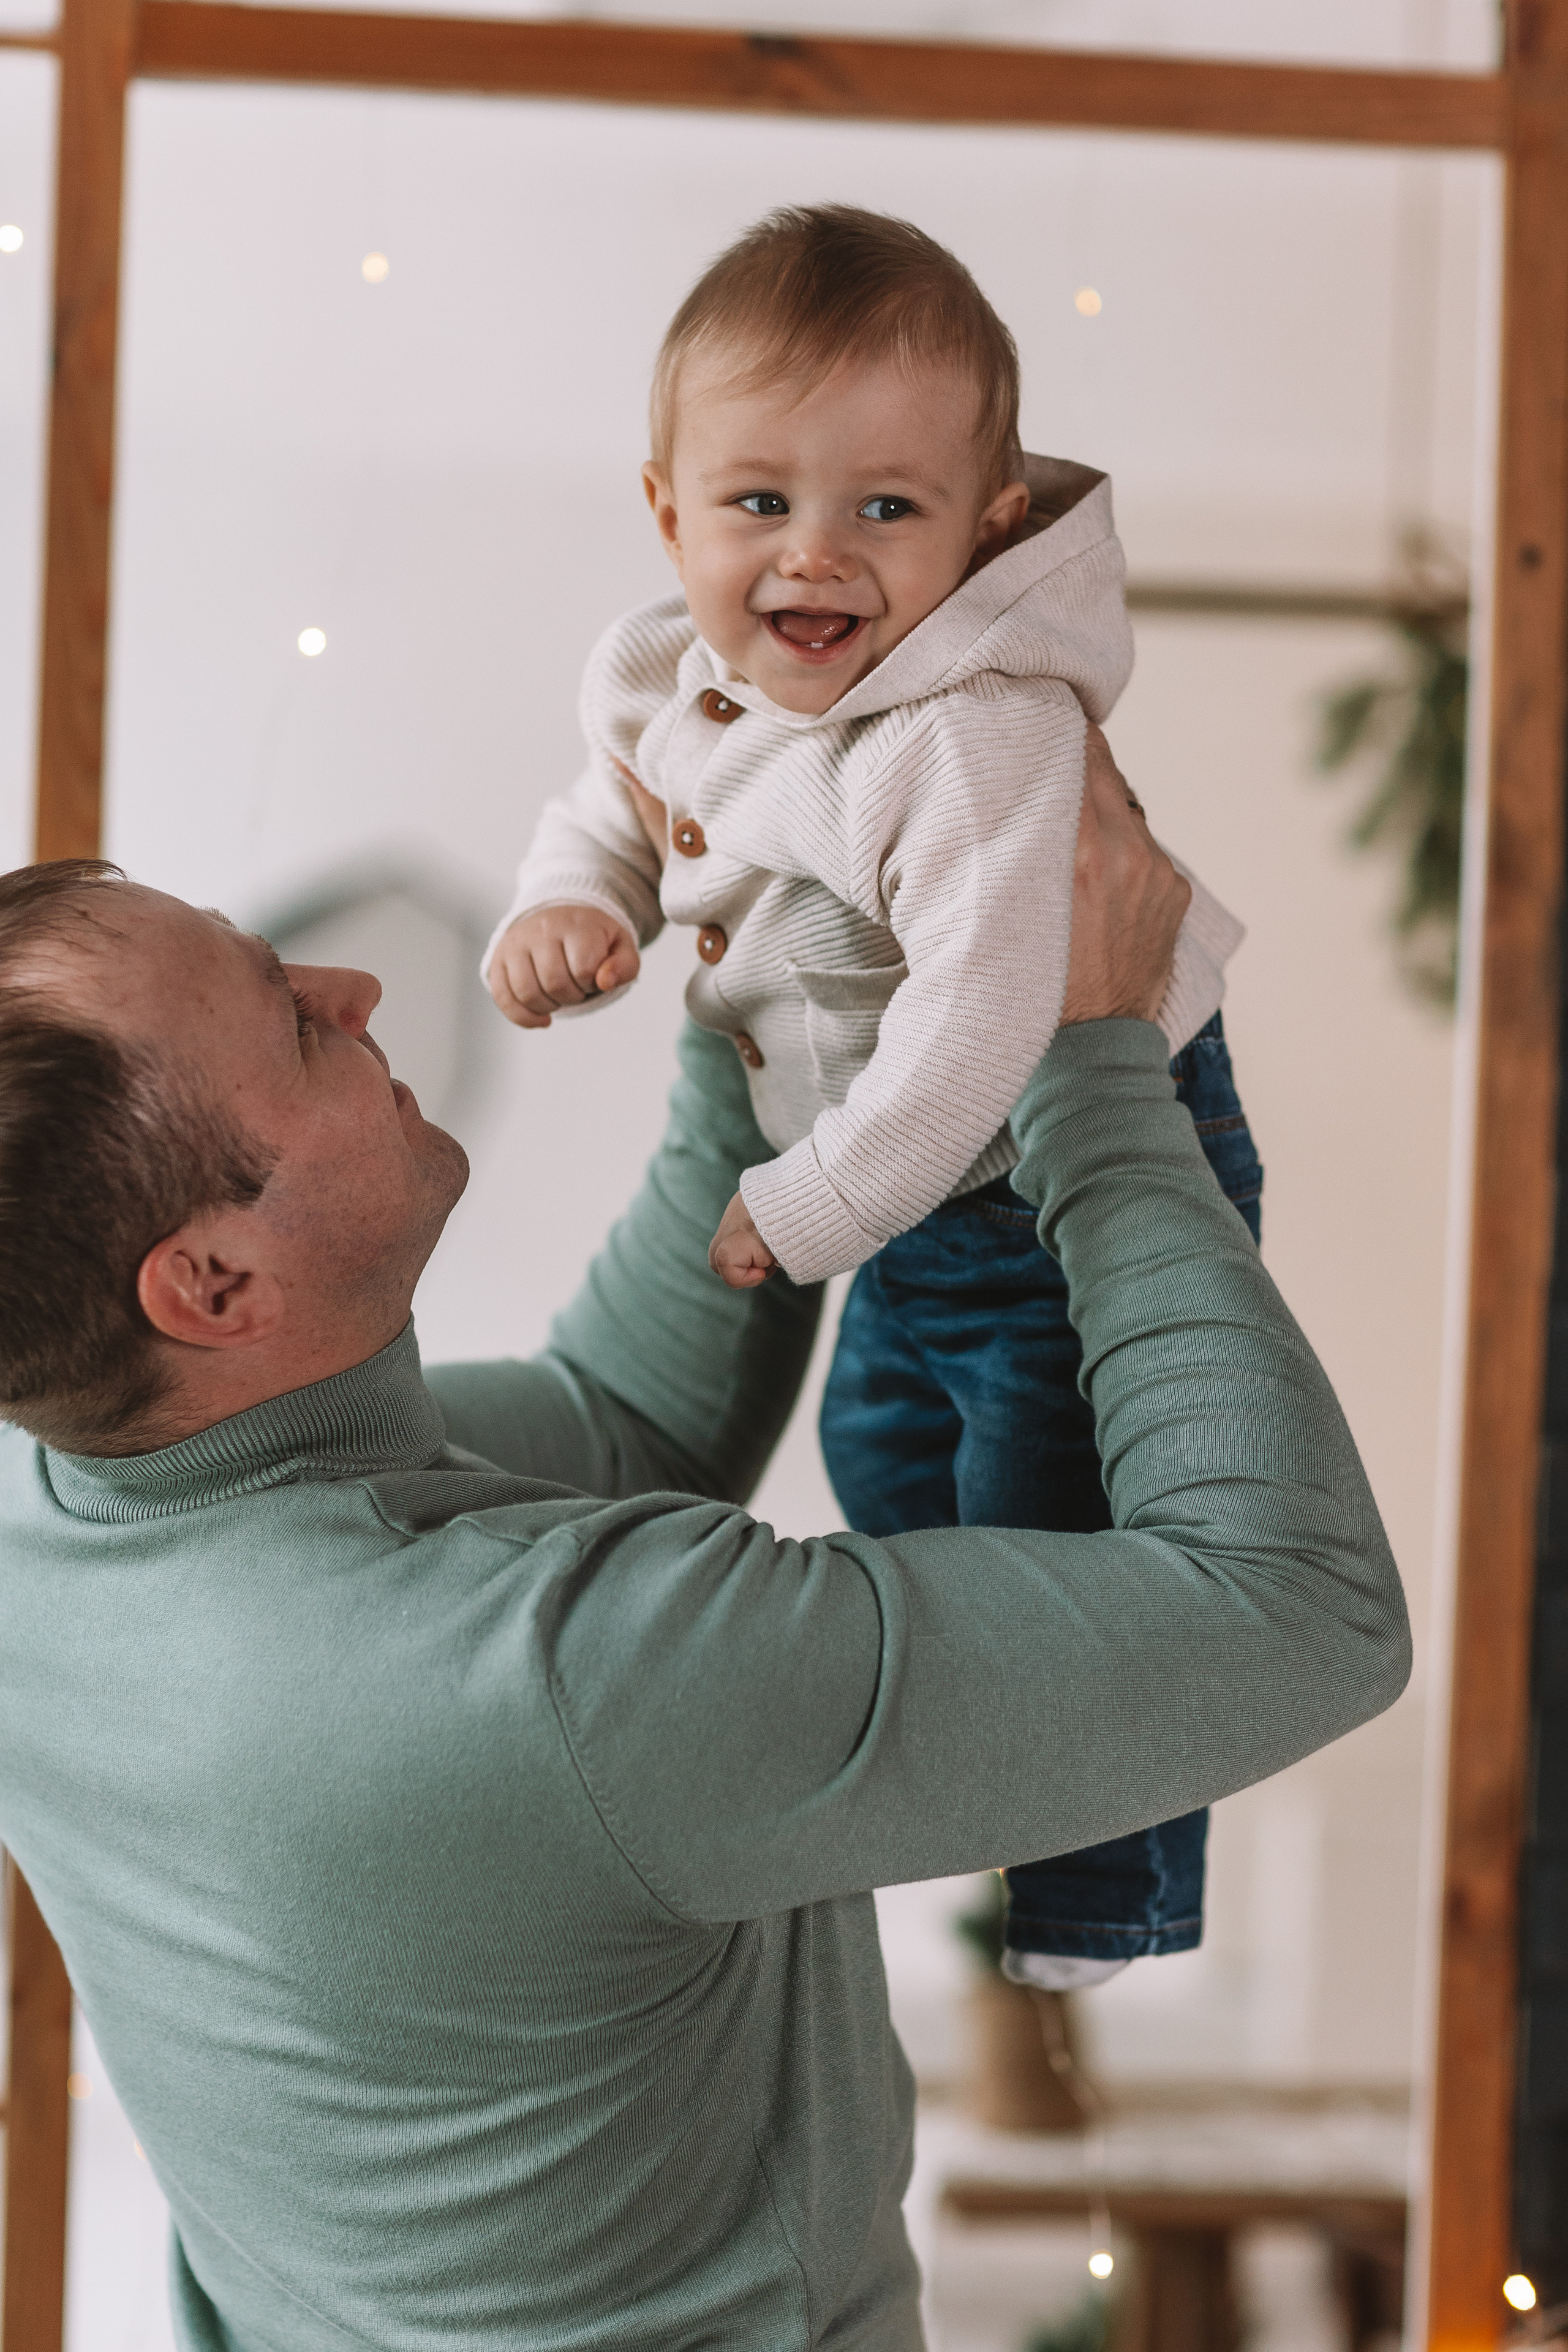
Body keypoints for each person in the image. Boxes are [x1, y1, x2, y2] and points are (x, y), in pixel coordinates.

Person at [0, 750, 1407, 2352]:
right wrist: (1092, 1059)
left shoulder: (62, 1512)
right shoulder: (534, 1680)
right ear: (213, 1287)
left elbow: (623, 1418)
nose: (355, 985)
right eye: (293, 1022)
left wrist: (770, 1014)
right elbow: (1298, 1610)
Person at [484, 204, 1260, 1991]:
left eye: (885, 510)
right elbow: (613, 794)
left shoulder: (972, 730)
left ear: (987, 524)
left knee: (1061, 1518)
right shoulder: (668, 669)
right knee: (889, 1464)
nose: (813, 558)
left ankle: (1103, 1898)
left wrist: (818, 1203)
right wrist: (573, 901)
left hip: (1044, 1158)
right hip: (913, 1174)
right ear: (669, 509)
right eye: (759, 503)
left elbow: (1000, 1013)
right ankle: (990, 1801)